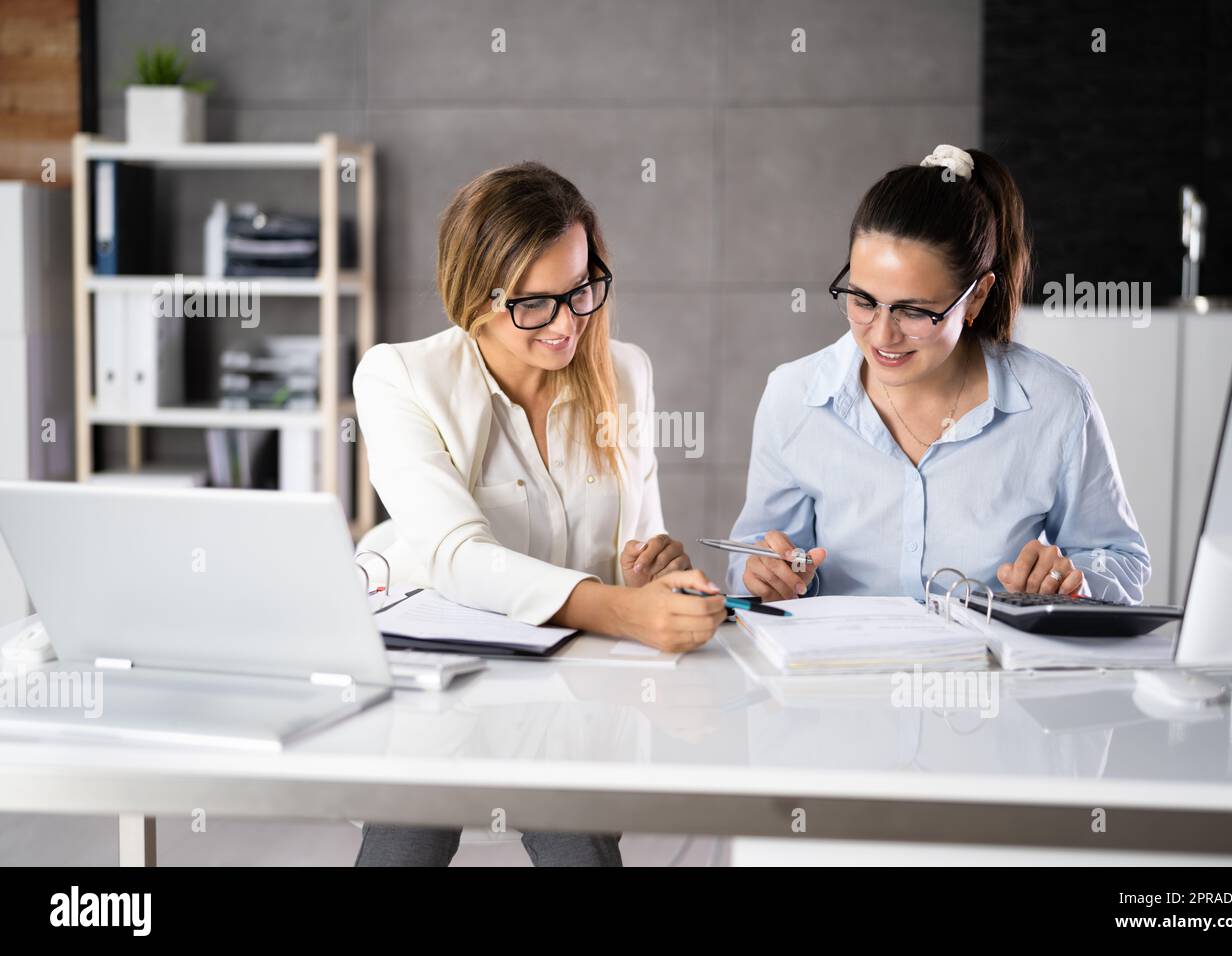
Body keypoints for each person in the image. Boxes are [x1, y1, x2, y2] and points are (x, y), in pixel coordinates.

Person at [351, 161, 726, 866]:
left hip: (572, 684)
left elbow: (632, 550)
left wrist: (655, 572)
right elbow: (456, 558)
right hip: (440, 677)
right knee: (406, 837)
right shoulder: (399, 377)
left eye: (581, 289)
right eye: (535, 304)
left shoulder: (625, 373)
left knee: (578, 842)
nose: (567, 323)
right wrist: (625, 609)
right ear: (475, 296)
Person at [727, 145, 1151, 606]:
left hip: (992, 672)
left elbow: (1122, 563)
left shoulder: (1055, 403)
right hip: (839, 672)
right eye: (863, 300)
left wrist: (1072, 579)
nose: (882, 335)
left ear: (976, 297)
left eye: (913, 310)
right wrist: (762, 573)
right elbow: (750, 559)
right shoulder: (793, 397)